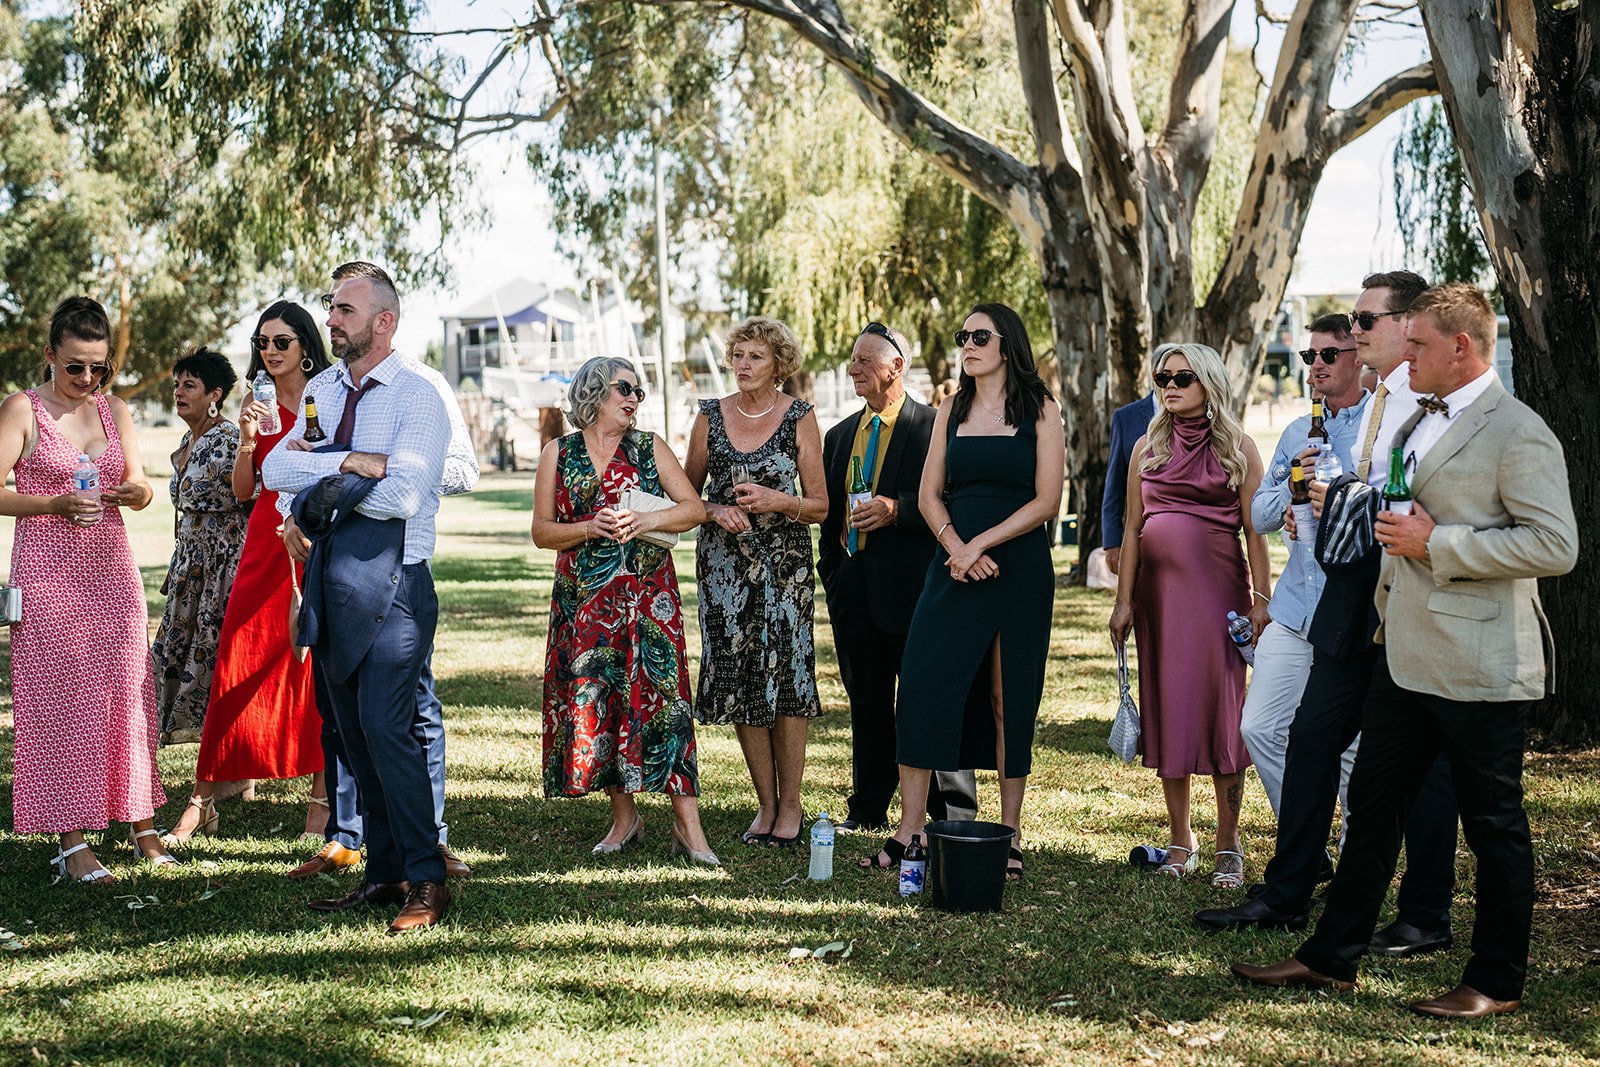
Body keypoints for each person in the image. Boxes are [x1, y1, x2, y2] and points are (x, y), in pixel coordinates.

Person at [1233, 283, 1578, 1018]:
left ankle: (1495, 980)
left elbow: (1556, 544)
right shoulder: (1414, 416)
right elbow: (1392, 507)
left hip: (1480, 660)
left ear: (1463, 347)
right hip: (1401, 648)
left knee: (1493, 824)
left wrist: (1438, 543)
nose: (1399, 354)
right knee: (1375, 804)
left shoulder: (1518, 430)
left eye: (1417, 344)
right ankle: (1331, 956)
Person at [1199, 272, 1460, 941]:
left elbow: (1424, 503)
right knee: (1307, 737)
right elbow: (1283, 508)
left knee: (1425, 768)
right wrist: (1310, 496)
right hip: (1344, 602)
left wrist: (1341, 497)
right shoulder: (1371, 408)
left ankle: (1422, 913)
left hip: (1413, 604)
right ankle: (1292, 890)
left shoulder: (1430, 403)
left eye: (1362, 322)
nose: (1350, 334)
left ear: (1406, 324)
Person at [263, 268, 454, 933]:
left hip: (395, 586)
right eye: (331, 307)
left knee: (387, 730)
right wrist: (348, 462)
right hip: (329, 583)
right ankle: (384, 873)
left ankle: (428, 878)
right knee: (350, 736)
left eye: (345, 309)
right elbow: (274, 469)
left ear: (385, 320)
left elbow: (404, 494)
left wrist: (335, 477)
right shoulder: (321, 389)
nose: (333, 319)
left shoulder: (418, 396)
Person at [861, 303, 1063, 880]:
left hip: (1018, 566)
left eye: (981, 336)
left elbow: (1047, 502)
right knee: (924, 682)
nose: (968, 344)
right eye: (963, 336)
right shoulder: (952, 407)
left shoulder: (1042, 410)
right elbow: (928, 496)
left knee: (1009, 698)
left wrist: (983, 545)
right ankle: (911, 834)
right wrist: (957, 547)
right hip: (952, 564)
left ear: (1008, 344)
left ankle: (1011, 835)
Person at [0, 296, 173, 881]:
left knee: (127, 687)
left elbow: (143, 485)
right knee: (60, 698)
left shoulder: (114, 410)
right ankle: (71, 841)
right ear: (50, 357)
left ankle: (141, 822)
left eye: (98, 367)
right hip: (48, 567)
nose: (87, 378)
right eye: (75, 365)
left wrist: (135, 493)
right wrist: (51, 502)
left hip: (111, 567)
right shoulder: (22, 409)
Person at [531, 357, 717, 864]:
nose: (635, 398)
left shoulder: (649, 447)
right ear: (594, 393)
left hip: (645, 597)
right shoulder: (557, 452)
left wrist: (640, 517)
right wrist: (590, 527)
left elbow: (694, 509)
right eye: (625, 389)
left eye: (639, 390)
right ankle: (624, 816)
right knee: (602, 697)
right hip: (584, 603)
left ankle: (689, 826)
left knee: (665, 702)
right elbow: (543, 531)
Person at [165, 302, 333, 846]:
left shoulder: (328, 396)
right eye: (263, 342)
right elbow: (243, 491)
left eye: (282, 341)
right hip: (263, 540)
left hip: (315, 536)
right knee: (237, 659)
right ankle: (202, 800)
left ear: (306, 346)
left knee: (313, 669)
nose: (270, 351)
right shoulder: (254, 405)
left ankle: (322, 799)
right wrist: (243, 437)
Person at [1108, 343, 1271, 887]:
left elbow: (1255, 531)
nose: (1169, 386)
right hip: (1158, 602)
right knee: (1169, 711)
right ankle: (1181, 839)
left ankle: (1229, 843)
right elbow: (1132, 529)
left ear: (1208, 381)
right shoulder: (1145, 447)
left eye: (1181, 377)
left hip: (1218, 597)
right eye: (1162, 377)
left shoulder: (1238, 448)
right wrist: (1123, 600)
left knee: (1222, 713)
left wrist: (1262, 599)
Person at [817, 323, 977, 833]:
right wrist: (834, 576)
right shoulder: (840, 435)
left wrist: (898, 509)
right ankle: (867, 807)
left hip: (920, 591)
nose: (853, 369)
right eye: (852, 360)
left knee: (930, 698)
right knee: (866, 700)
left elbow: (955, 502)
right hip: (854, 591)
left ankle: (950, 811)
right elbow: (829, 515)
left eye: (866, 360)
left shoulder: (935, 426)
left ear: (897, 366)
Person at [685, 315, 827, 847]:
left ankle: (791, 806)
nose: (744, 365)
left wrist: (779, 501)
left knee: (787, 676)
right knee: (742, 677)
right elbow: (687, 497)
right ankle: (765, 805)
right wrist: (716, 509)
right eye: (739, 355)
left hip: (784, 568)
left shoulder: (800, 417)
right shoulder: (709, 416)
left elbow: (820, 504)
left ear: (779, 365)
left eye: (756, 357)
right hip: (723, 568)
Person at [1234, 315, 1366, 822]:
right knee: (1260, 727)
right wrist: (1290, 498)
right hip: (1294, 607)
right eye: (1310, 356)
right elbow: (1258, 513)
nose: (1315, 365)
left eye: (1328, 355)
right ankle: (1304, 847)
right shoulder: (1296, 431)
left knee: (1351, 747)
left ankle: (1353, 856)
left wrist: (1335, 496)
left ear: (1358, 357)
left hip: (1350, 611)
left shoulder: (1381, 424)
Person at [151, 351, 250, 751]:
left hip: (221, 567)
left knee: (214, 657)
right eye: (177, 384)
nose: (178, 392)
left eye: (189, 385)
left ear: (215, 394)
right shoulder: (187, 440)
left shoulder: (226, 440)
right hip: (190, 567)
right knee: (178, 652)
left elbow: (247, 497)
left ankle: (232, 766)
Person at [1100, 372, 1157, 577]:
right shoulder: (1125, 417)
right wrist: (1112, 542)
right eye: (1163, 376)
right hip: (1139, 535)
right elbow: (1113, 484)